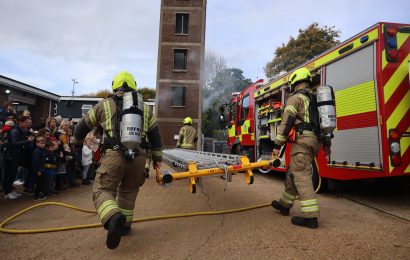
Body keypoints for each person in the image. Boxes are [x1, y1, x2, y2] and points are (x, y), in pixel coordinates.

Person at [73, 70, 163, 249]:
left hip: (114, 155)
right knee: (129, 192)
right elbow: (156, 136)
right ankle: (124, 226)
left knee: (102, 189)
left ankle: (113, 217)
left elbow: (81, 129)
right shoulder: (145, 108)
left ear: (115, 86)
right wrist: (157, 159)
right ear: (134, 86)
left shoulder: (104, 105)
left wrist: (76, 144)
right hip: (139, 158)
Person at [270, 67, 331, 229]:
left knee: (301, 175)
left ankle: (311, 217)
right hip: (316, 141)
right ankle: (285, 205)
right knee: (293, 171)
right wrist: (327, 145)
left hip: (303, 140)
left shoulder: (295, 98)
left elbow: (287, 121)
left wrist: (277, 144)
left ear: (296, 82)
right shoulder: (315, 99)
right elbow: (324, 124)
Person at [3, 116, 34, 199]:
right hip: (11, 156)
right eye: (26, 122)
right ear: (21, 122)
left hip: (15, 155)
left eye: (28, 122)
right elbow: (14, 143)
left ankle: (9, 191)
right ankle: (7, 192)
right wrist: (27, 140)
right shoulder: (15, 130)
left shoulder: (20, 130)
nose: (28, 124)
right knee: (9, 174)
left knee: (12, 174)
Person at [32, 136, 47, 201]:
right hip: (38, 170)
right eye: (41, 143)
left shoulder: (42, 150)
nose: (43, 144)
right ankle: (36, 196)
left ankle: (40, 194)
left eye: (44, 143)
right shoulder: (37, 151)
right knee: (38, 183)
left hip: (42, 169)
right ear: (37, 143)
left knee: (41, 182)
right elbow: (36, 162)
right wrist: (38, 170)